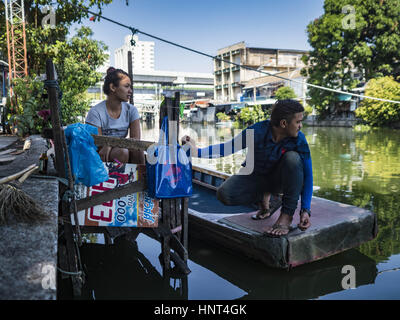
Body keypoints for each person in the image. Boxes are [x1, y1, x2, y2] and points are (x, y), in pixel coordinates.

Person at [182, 99, 312, 237]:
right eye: (298, 122)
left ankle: (286, 217)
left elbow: (308, 176)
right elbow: (228, 147)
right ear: (284, 123)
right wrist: (197, 152)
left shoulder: (299, 140)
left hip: (279, 181)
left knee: (293, 158)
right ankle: (264, 200)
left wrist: (305, 209)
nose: (300, 126)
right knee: (224, 194)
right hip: (256, 176)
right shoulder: (257, 131)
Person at [85, 67, 144, 164]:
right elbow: (97, 143)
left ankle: (140, 178)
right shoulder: (95, 112)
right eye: (126, 86)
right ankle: (118, 178)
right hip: (101, 157)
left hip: (117, 149)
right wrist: (110, 145)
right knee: (122, 152)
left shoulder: (132, 110)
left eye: (130, 87)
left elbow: (135, 141)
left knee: (139, 150)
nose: (130, 91)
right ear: (113, 87)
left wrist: (110, 144)